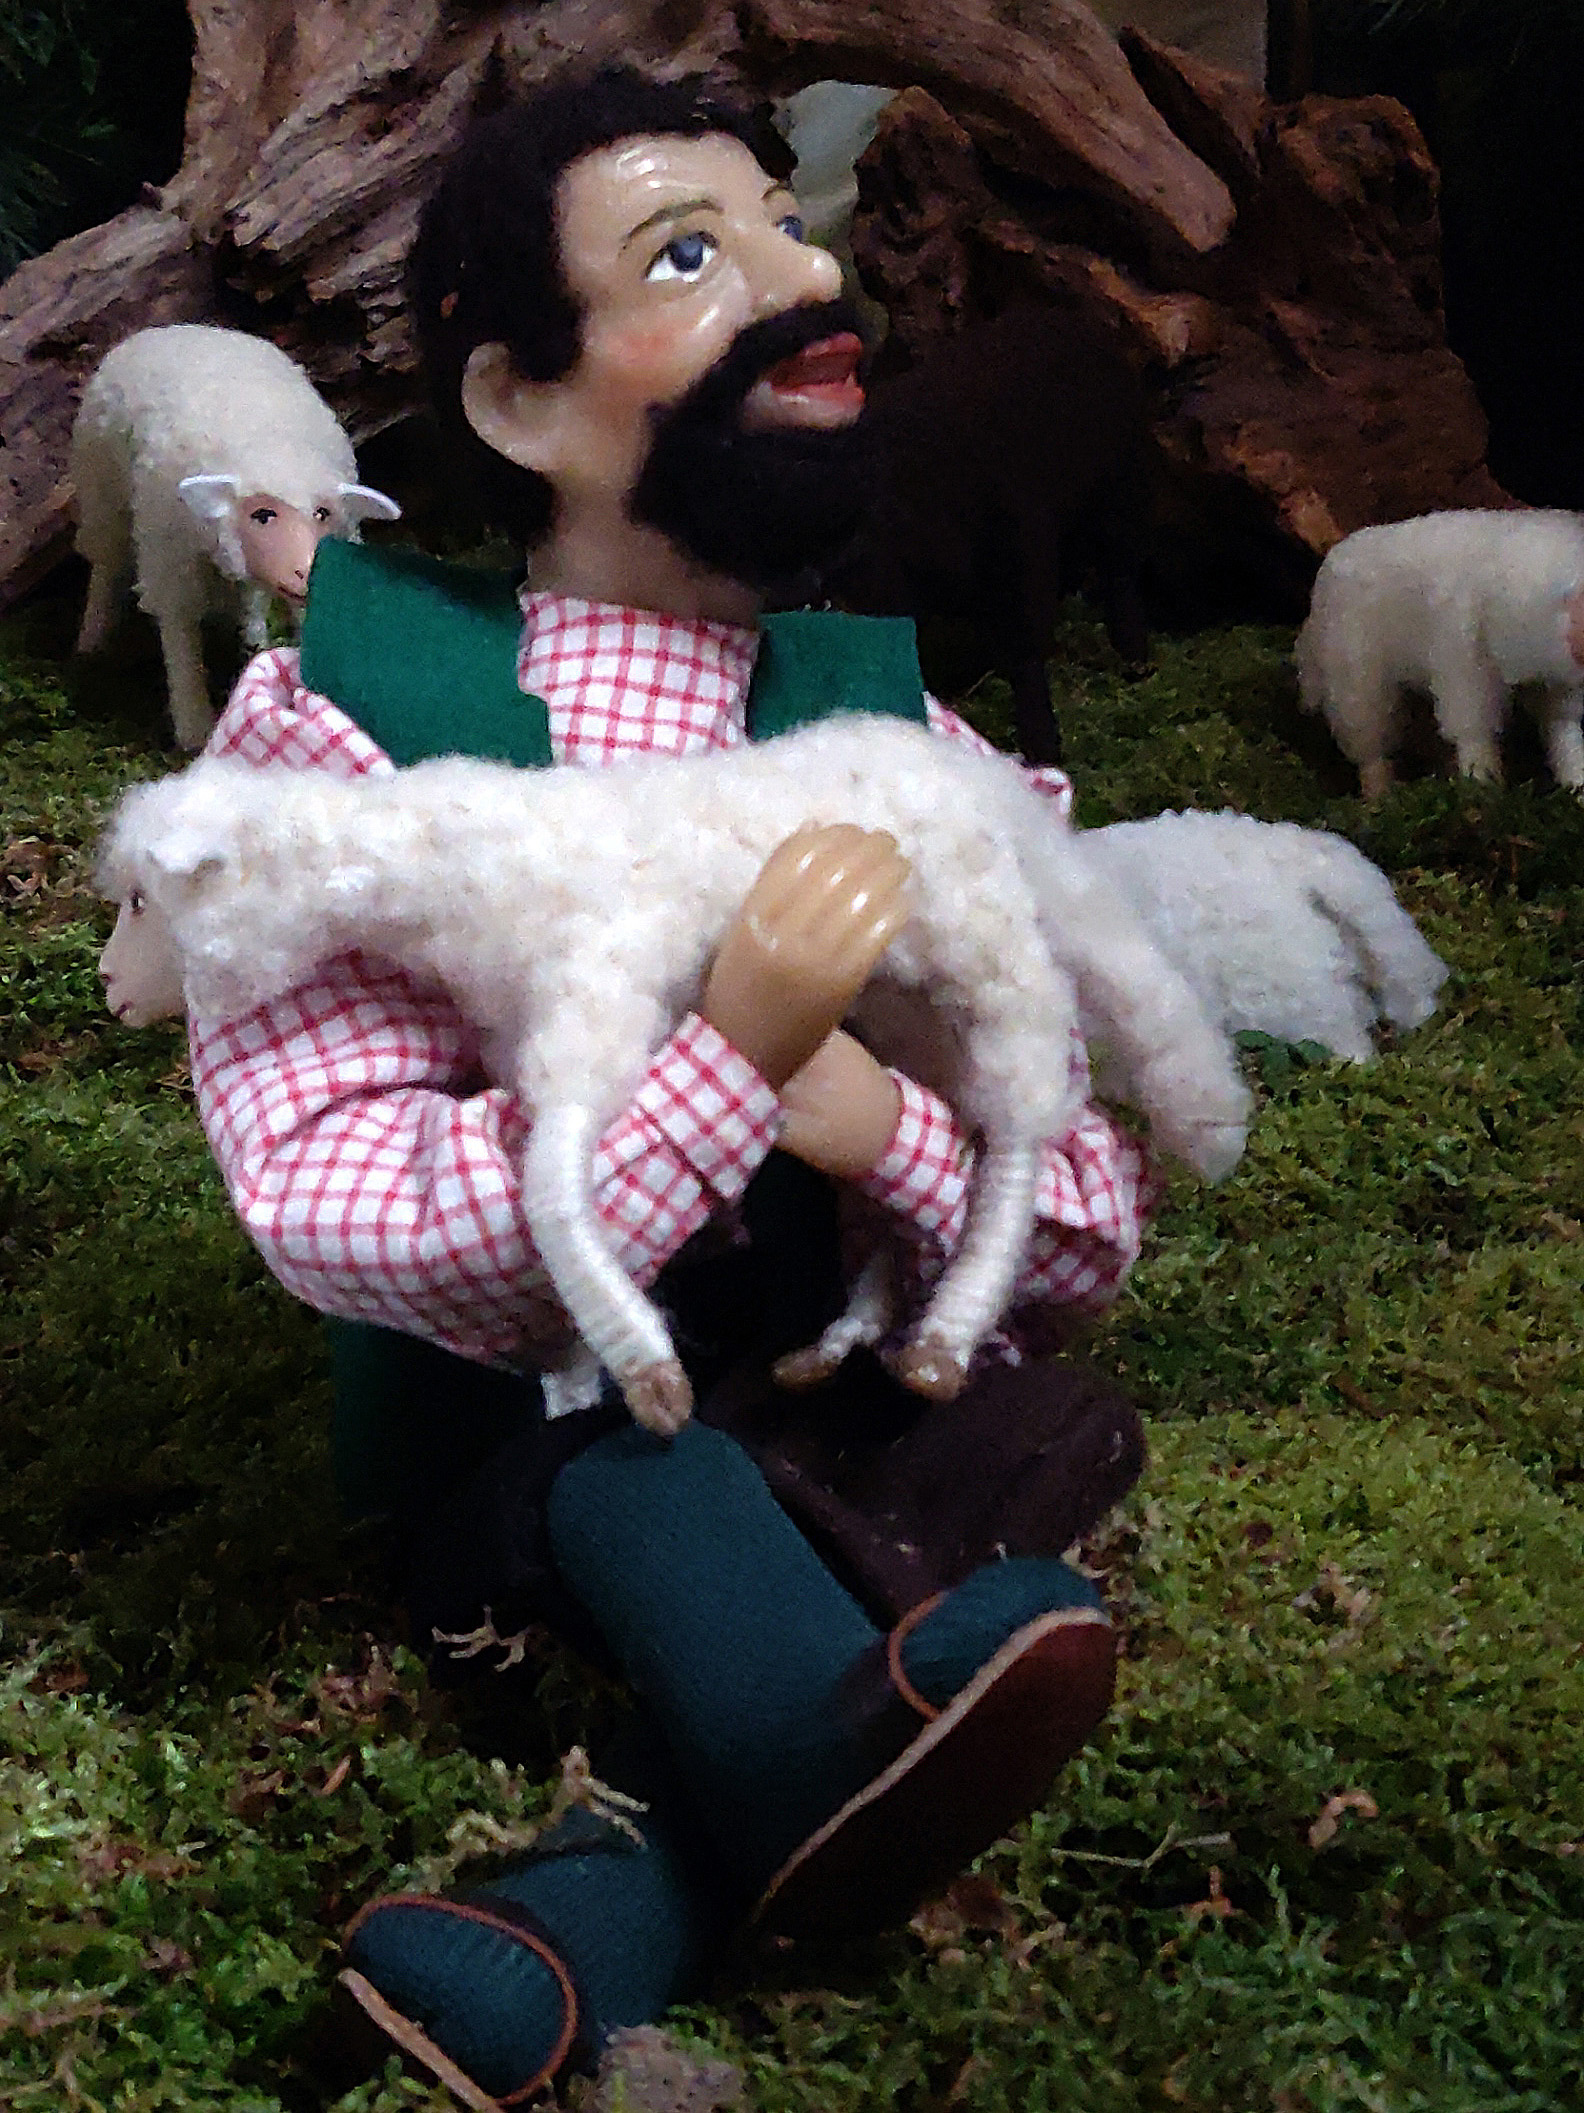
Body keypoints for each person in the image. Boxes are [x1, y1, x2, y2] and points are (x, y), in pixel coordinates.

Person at [173, 67, 1161, 2105]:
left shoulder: (901, 741)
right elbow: (328, 1187)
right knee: (661, 1472)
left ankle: (591, 1909)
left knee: (1041, 1436)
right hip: (538, 1449)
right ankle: (811, 1741)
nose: (807, 283)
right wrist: (729, 1062)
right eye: (691, 256)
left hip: (847, 1411)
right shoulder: (369, 721)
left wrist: (880, 1128)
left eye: (789, 225)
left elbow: (1077, 1219)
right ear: (522, 401)